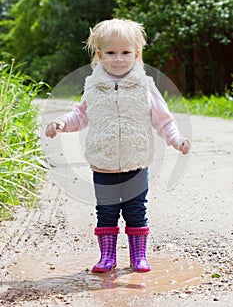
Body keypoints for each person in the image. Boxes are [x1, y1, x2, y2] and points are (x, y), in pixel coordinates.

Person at [45, 18, 190, 273]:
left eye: (125, 52)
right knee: (106, 212)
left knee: (135, 211)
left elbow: (163, 120)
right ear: (100, 55)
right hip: (104, 163)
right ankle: (107, 256)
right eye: (111, 53)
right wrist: (60, 123)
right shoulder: (93, 87)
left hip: (136, 161)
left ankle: (138, 256)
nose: (118, 59)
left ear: (136, 54)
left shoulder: (145, 86)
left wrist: (177, 140)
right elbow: (79, 115)